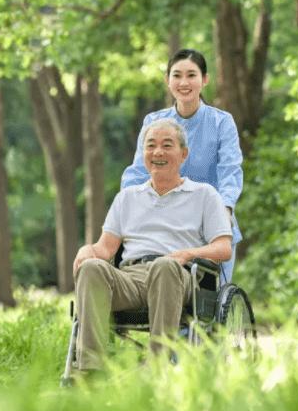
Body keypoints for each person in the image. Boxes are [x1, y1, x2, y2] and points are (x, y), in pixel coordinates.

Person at [73, 118, 232, 372]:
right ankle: (90, 371)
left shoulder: (204, 194)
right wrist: (86, 251)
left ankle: (156, 367)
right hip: (131, 278)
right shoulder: (127, 198)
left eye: (167, 145)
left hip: (179, 276)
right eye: (151, 146)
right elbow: (104, 250)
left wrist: (188, 254)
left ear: (183, 154)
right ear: (143, 154)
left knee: (164, 266)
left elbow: (223, 248)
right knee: (92, 268)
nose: (158, 152)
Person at [121, 48, 243, 284]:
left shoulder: (221, 123)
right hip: (162, 223)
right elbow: (137, 172)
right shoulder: (153, 123)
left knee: (209, 304)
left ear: (204, 80)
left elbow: (230, 171)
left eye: (191, 75)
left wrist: (225, 209)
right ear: (168, 81)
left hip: (209, 224)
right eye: (177, 75)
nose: (184, 82)